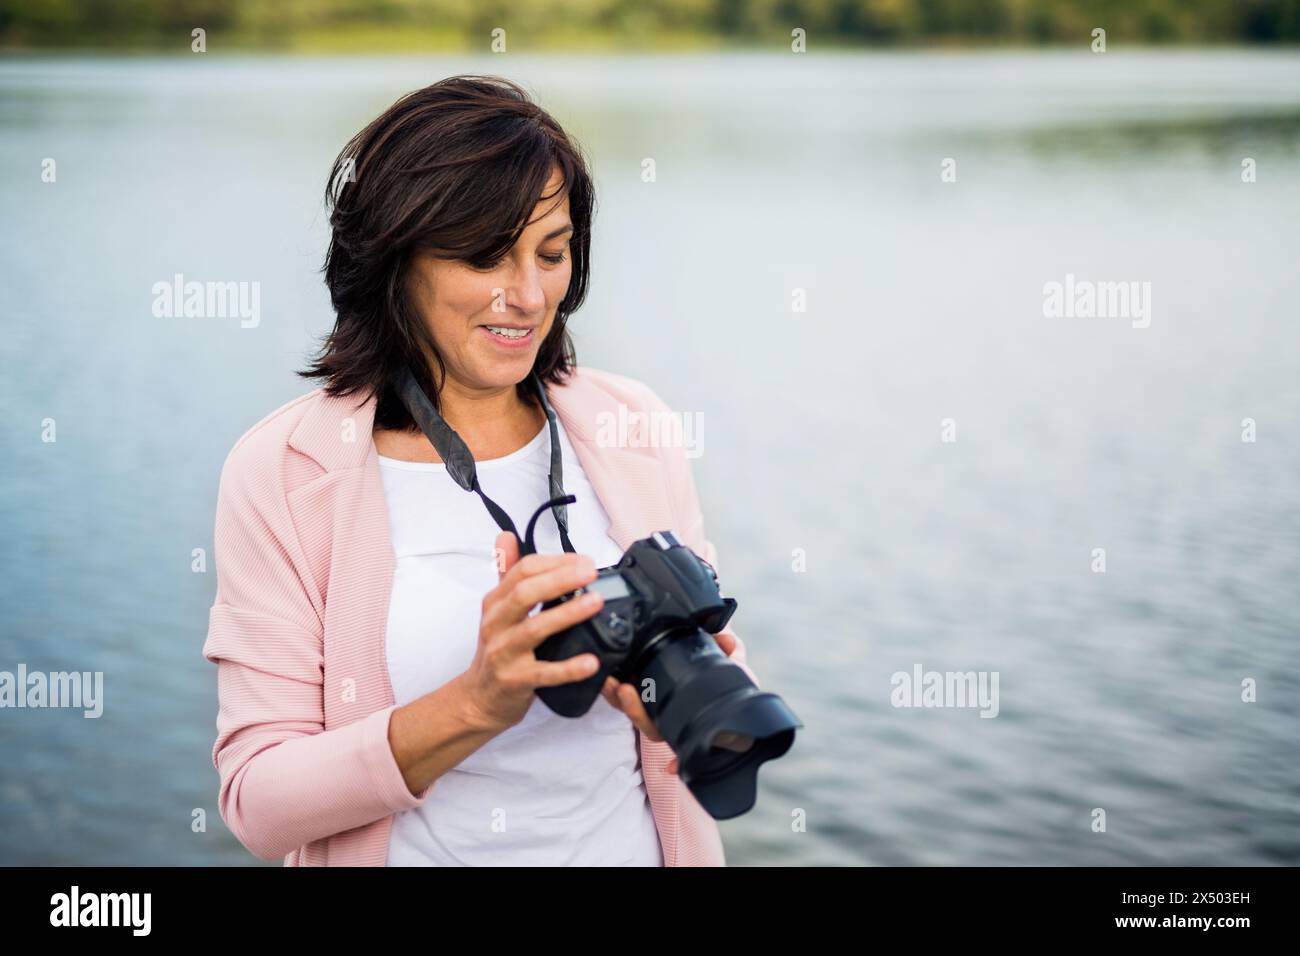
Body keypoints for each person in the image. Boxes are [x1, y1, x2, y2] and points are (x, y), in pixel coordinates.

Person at [202, 74, 757, 867]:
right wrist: (475, 702)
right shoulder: (287, 471)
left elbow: (716, 713)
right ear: (396, 259)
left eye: (553, 253)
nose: (529, 296)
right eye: (484, 256)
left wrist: (682, 697)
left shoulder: (630, 425)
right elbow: (257, 804)